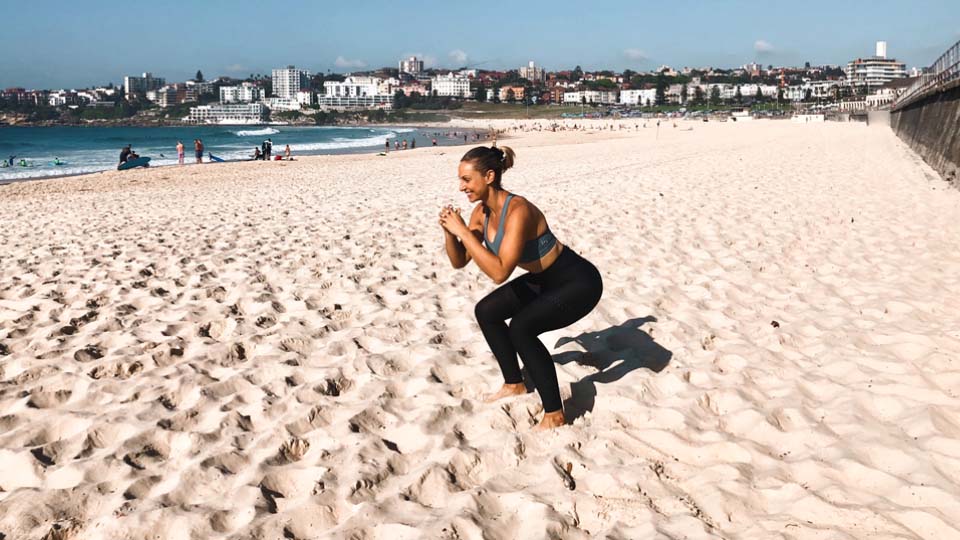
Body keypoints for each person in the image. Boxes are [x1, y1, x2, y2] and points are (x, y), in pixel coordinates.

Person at [439, 146, 603, 430]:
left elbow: (500, 271)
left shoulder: (518, 210)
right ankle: (514, 384)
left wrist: (464, 232)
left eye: (466, 179)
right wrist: (450, 233)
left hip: (577, 280)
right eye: (460, 180)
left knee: (521, 328)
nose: (461, 187)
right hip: (543, 280)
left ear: (489, 176)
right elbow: (459, 261)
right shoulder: (480, 212)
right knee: (487, 311)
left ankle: (554, 413)